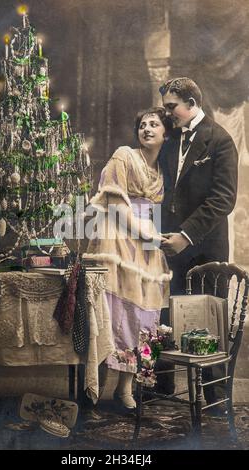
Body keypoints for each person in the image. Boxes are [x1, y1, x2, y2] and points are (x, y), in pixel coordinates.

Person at [157, 77, 238, 405]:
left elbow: (224, 199)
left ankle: (215, 398)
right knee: (165, 315)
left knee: (208, 318)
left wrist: (186, 236)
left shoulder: (219, 140)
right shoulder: (169, 138)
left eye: (171, 107)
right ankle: (160, 388)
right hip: (167, 245)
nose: (167, 114)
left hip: (205, 245)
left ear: (191, 102)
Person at [86, 107, 173, 409]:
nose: (147, 129)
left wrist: (153, 236)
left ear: (165, 133)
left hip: (146, 247)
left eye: (154, 124)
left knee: (144, 315)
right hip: (118, 239)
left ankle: (126, 389)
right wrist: (142, 230)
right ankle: (94, 388)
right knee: (111, 311)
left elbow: (153, 211)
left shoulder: (162, 171)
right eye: (142, 125)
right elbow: (113, 203)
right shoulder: (124, 155)